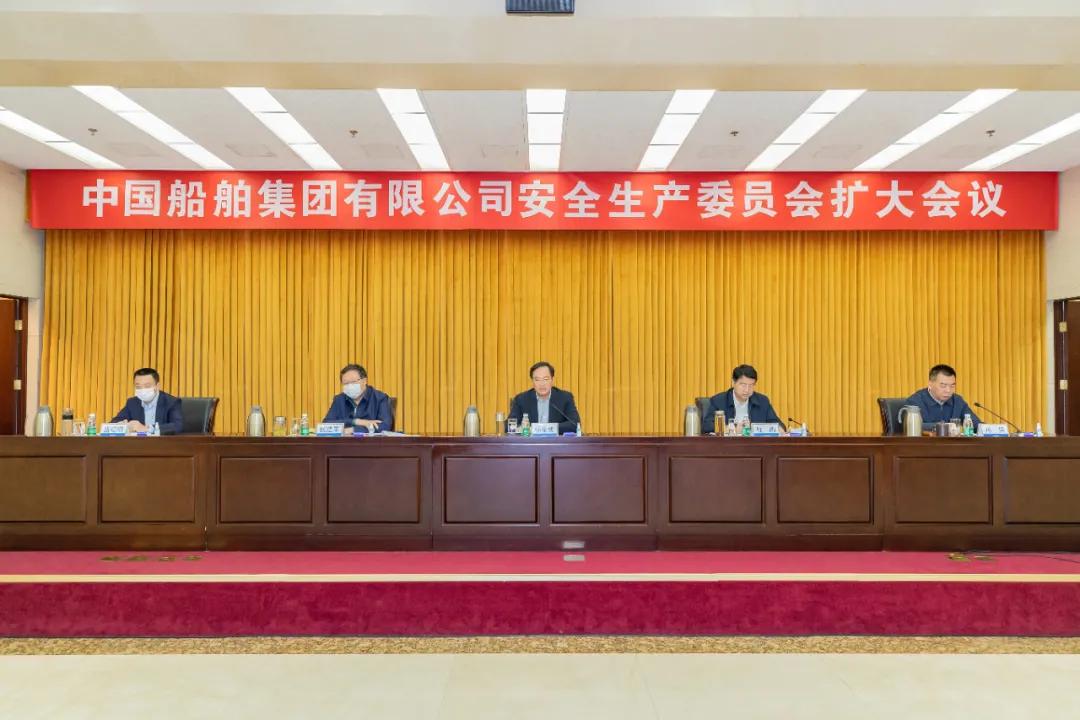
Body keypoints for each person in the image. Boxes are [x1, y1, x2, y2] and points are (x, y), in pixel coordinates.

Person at [702, 364, 784, 434]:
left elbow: (778, 424)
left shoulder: (762, 401)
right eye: (743, 385)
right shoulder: (718, 400)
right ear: (733, 382)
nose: (747, 390)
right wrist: (733, 429)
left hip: (755, 445)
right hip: (727, 445)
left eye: (751, 385)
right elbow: (707, 426)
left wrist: (779, 428)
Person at [508, 361, 581, 434]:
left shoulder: (564, 398)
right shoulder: (521, 399)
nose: (542, 384)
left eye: (546, 379)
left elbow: (575, 424)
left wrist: (546, 428)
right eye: (537, 380)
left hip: (555, 441)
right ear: (532, 381)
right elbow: (509, 425)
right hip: (530, 440)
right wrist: (525, 428)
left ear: (552, 380)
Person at [323, 363, 394, 434]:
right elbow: (327, 424)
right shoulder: (339, 399)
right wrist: (356, 421)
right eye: (346, 383)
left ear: (364, 381)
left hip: (369, 441)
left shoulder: (379, 398)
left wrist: (353, 430)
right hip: (344, 440)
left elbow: (385, 426)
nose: (350, 386)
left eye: (353, 382)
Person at [904, 364, 980, 430]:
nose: (948, 390)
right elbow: (912, 427)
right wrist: (945, 426)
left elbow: (975, 423)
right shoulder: (915, 402)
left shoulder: (958, 401)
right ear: (930, 384)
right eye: (943, 385)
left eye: (952, 386)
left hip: (953, 442)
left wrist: (983, 427)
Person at [111, 367, 184, 435]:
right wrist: (123, 425)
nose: (143, 390)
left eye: (147, 386)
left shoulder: (171, 402)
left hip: (163, 443)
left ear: (157, 386)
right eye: (138, 387)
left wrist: (146, 428)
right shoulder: (132, 402)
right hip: (137, 443)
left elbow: (178, 426)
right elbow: (115, 421)